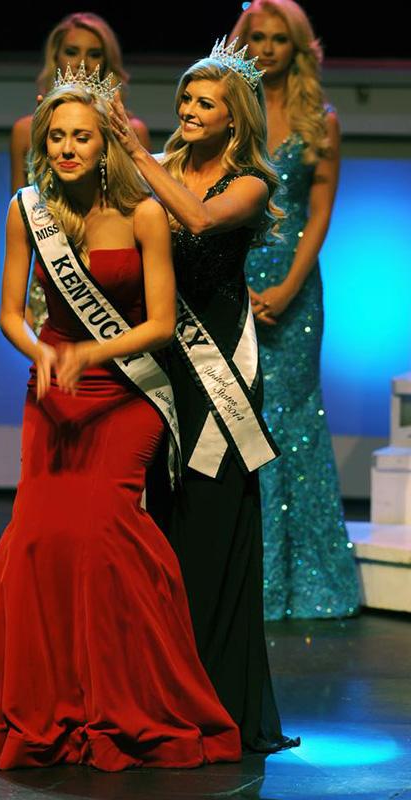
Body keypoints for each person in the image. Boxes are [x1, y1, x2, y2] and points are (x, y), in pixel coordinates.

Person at [0, 74, 241, 771]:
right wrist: (43, 351)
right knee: (40, 537)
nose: (67, 147)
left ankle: (125, 697)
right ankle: (42, 701)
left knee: (106, 534)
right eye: (56, 136)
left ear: (106, 144)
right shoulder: (28, 211)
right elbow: (11, 312)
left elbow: (161, 324)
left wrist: (89, 351)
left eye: (81, 135)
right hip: (54, 391)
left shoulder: (144, 215)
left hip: (126, 394)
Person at [110, 39, 298, 751]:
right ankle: (161, 693)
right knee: (166, 524)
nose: (189, 111)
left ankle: (218, 700)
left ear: (234, 118)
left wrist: (136, 160)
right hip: (163, 366)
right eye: (185, 100)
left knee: (213, 523)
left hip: (218, 374)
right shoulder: (158, 170)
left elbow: (196, 219)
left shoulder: (253, 181)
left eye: (205, 103)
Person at [230, 0, 360, 621]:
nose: (267, 49)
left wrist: (286, 288)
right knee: (239, 416)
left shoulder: (321, 120)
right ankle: (248, 579)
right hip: (232, 277)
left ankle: (307, 585)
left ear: (298, 48)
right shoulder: (229, 110)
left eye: (280, 39)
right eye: (257, 37)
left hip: (295, 285)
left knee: (293, 418)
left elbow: (321, 214)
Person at [9, 12, 151, 334]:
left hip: (116, 283)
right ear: (56, 57)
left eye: (95, 53)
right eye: (72, 51)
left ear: (108, 62)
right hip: (51, 278)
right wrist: (23, 297)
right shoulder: (25, 132)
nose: (83, 62)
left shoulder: (132, 132)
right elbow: (23, 222)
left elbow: (141, 216)